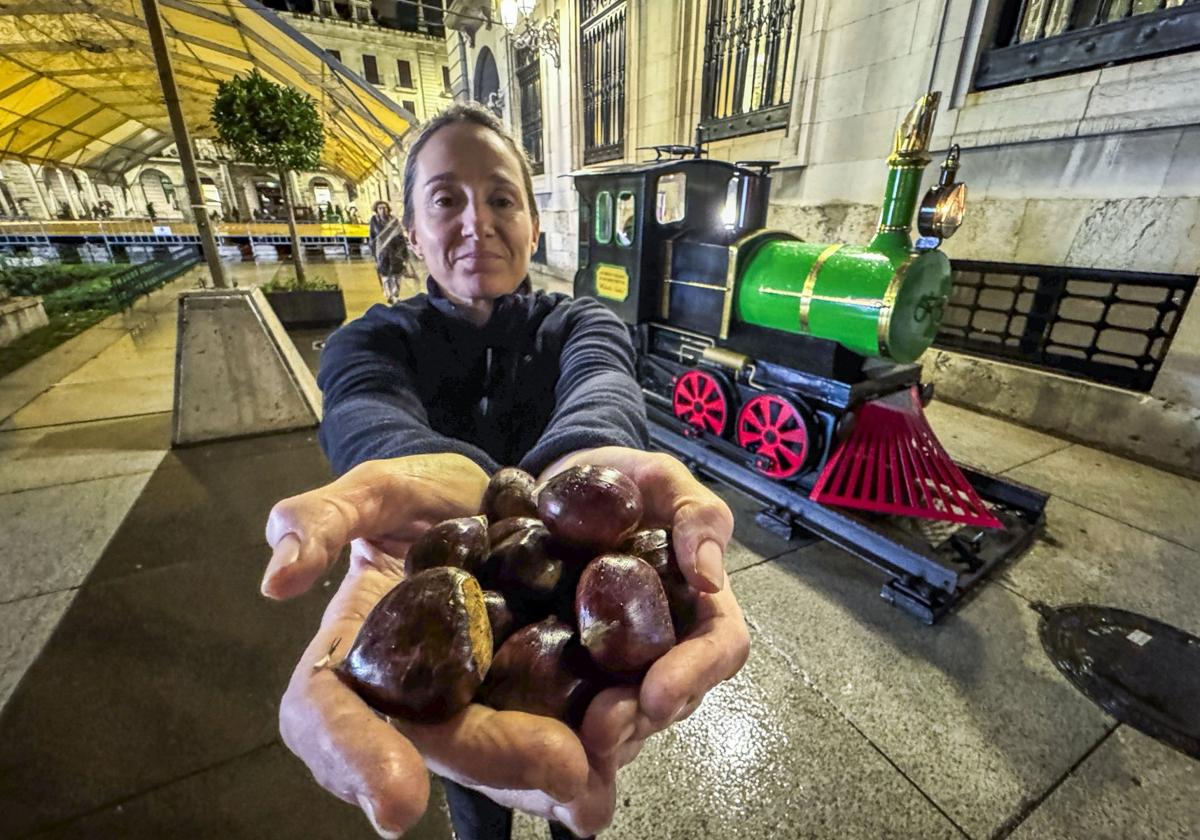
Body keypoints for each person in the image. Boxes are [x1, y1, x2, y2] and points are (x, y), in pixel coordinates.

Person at [261, 103, 750, 840]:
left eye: (500, 198)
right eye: (446, 199)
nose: (476, 221)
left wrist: (582, 470)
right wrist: (412, 475)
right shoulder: (368, 341)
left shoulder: (583, 322)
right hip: (472, 636)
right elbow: (365, 408)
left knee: (575, 786)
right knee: (477, 794)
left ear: (533, 223)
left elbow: (602, 384)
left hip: (559, 648)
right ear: (413, 227)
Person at [369, 200, 408, 304]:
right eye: (380, 208)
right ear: (376, 210)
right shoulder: (374, 221)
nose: (383, 210)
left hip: (395, 252)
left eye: (385, 208)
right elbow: (372, 238)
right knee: (385, 275)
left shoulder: (394, 221)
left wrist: (404, 254)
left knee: (396, 275)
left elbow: (400, 237)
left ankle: (396, 294)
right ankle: (389, 295)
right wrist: (374, 253)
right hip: (382, 253)